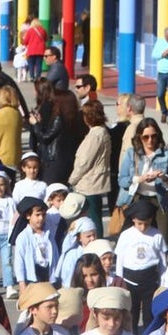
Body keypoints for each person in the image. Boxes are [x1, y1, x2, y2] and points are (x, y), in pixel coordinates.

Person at [118, 118, 168, 240]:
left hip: (159, 200)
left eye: (153, 136)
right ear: (139, 137)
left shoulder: (166, 154)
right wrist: (139, 179)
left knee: (161, 239)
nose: (150, 140)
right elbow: (122, 180)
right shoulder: (131, 153)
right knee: (130, 238)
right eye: (146, 137)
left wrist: (164, 177)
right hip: (137, 198)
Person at [116, 199, 168, 332]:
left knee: (149, 314)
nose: (143, 227)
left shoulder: (156, 235)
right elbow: (120, 260)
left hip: (150, 281)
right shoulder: (126, 235)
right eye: (140, 223)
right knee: (131, 313)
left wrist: (163, 282)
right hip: (129, 281)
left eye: (146, 224)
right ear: (133, 219)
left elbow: (162, 261)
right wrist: (119, 281)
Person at [68, 100, 111, 237]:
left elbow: (85, 161)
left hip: (90, 183)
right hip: (93, 181)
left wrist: (72, 179)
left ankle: (96, 241)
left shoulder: (96, 135)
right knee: (93, 216)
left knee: (92, 218)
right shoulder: (100, 132)